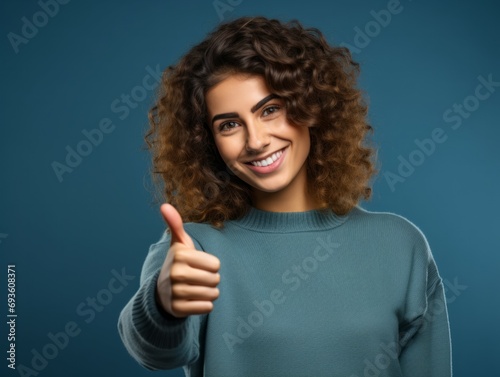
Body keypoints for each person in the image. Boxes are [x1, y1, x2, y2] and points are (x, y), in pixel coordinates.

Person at [117, 16, 452, 377]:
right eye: (229, 124)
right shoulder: (193, 250)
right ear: (207, 142)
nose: (256, 140)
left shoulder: (400, 246)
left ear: (312, 106)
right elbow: (155, 352)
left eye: (270, 110)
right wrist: (163, 305)